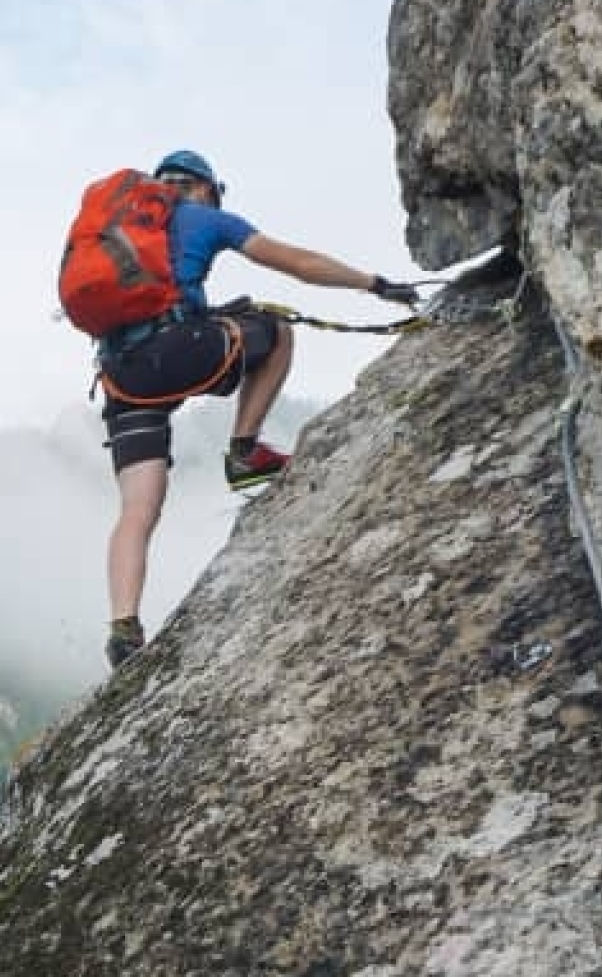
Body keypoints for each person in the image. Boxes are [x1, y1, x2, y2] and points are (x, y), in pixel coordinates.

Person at [96, 149, 422, 668]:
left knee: (137, 510)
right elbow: (297, 263)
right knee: (277, 330)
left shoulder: (118, 231)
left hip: (120, 376)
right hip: (177, 353)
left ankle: (123, 627)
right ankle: (244, 451)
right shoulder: (205, 216)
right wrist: (375, 285)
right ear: (205, 187)